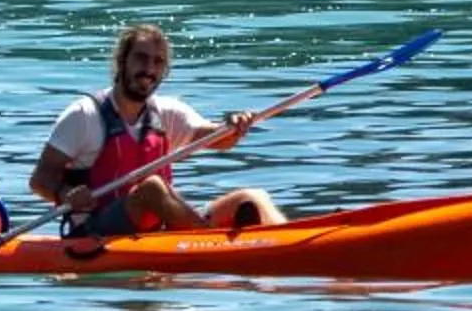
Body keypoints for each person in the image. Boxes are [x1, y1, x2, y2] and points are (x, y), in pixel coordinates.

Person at [28, 22, 282, 236]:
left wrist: (234, 127)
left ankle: (287, 241)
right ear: (121, 61)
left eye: (157, 62)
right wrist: (65, 193)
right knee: (152, 187)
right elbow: (40, 180)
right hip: (95, 231)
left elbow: (220, 139)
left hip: (160, 228)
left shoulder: (167, 113)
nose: (149, 69)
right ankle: (205, 240)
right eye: (141, 58)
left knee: (252, 196)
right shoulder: (83, 115)